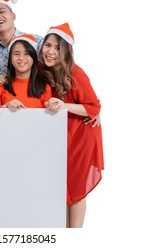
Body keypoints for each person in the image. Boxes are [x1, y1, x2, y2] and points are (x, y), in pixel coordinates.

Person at [39, 22, 104, 228]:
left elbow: (94, 106)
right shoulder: (42, 69)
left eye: (57, 48)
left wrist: (65, 105)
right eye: (48, 45)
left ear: (66, 51)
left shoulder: (76, 74)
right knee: (62, 187)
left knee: (75, 187)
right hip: (62, 136)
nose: (50, 52)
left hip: (81, 135)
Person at [0, 0, 43, 115]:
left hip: (36, 104)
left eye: (2, 11)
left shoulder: (37, 42)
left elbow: (59, 64)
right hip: (3, 109)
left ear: (13, 16)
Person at [0, 34, 52, 112]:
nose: (21, 58)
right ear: (10, 59)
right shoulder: (0, 87)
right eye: (16, 54)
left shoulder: (45, 88)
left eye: (27, 54)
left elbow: (47, 120)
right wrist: (6, 107)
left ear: (34, 58)